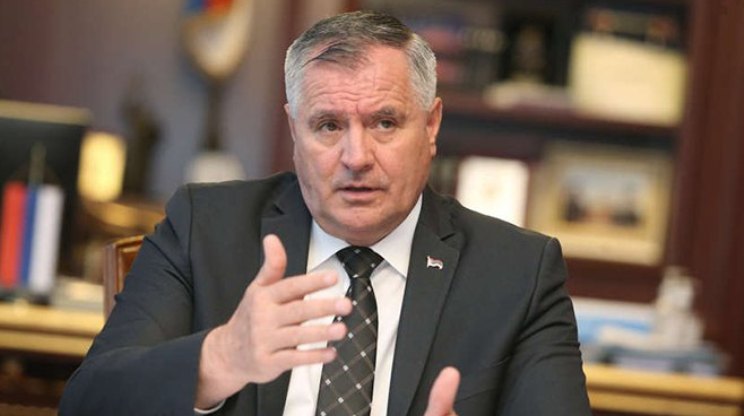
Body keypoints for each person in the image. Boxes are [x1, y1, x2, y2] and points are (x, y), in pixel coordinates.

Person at [60, 10, 590, 416]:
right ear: (295, 130)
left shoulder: (518, 272)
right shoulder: (206, 228)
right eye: (329, 126)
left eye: (385, 123)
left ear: (430, 127)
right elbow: (88, 402)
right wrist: (221, 358)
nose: (356, 157)